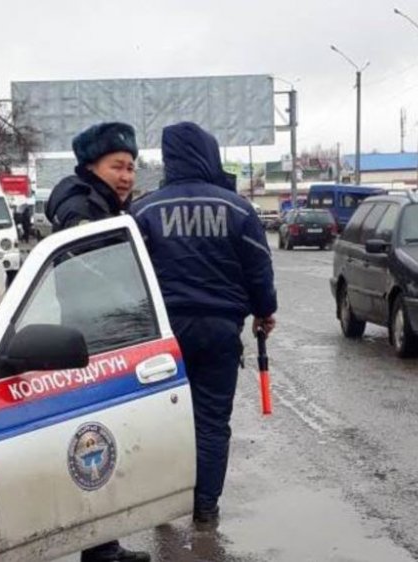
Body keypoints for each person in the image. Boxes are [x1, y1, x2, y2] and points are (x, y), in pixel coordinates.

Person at [130, 122, 277, 525]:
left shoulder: (143, 211)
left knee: (163, 421)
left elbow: (126, 276)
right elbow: (259, 268)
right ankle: (205, 506)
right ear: (209, 155)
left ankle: (163, 504)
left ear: (170, 158)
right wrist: (264, 311)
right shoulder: (238, 209)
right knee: (211, 421)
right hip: (219, 331)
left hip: (163, 336)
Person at [44, 121, 148, 562]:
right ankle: (100, 549)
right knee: (96, 447)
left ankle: (105, 543)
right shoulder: (82, 209)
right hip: (96, 340)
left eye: (130, 167)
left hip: (105, 335)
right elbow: (99, 277)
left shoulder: (103, 204)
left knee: (106, 443)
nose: (126, 176)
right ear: (91, 166)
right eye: (116, 166)